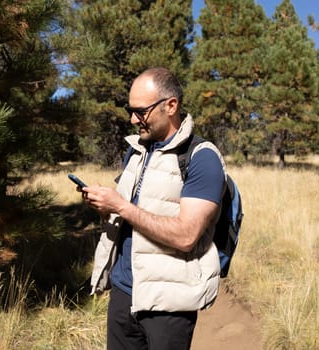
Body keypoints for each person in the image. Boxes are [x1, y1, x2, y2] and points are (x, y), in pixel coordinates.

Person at [81, 67, 226, 350]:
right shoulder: (136, 151)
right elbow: (133, 215)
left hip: (169, 302)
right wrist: (106, 206)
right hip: (124, 293)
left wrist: (121, 206)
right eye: (130, 109)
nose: (132, 119)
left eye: (141, 111)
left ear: (171, 106)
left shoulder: (202, 158)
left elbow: (186, 236)